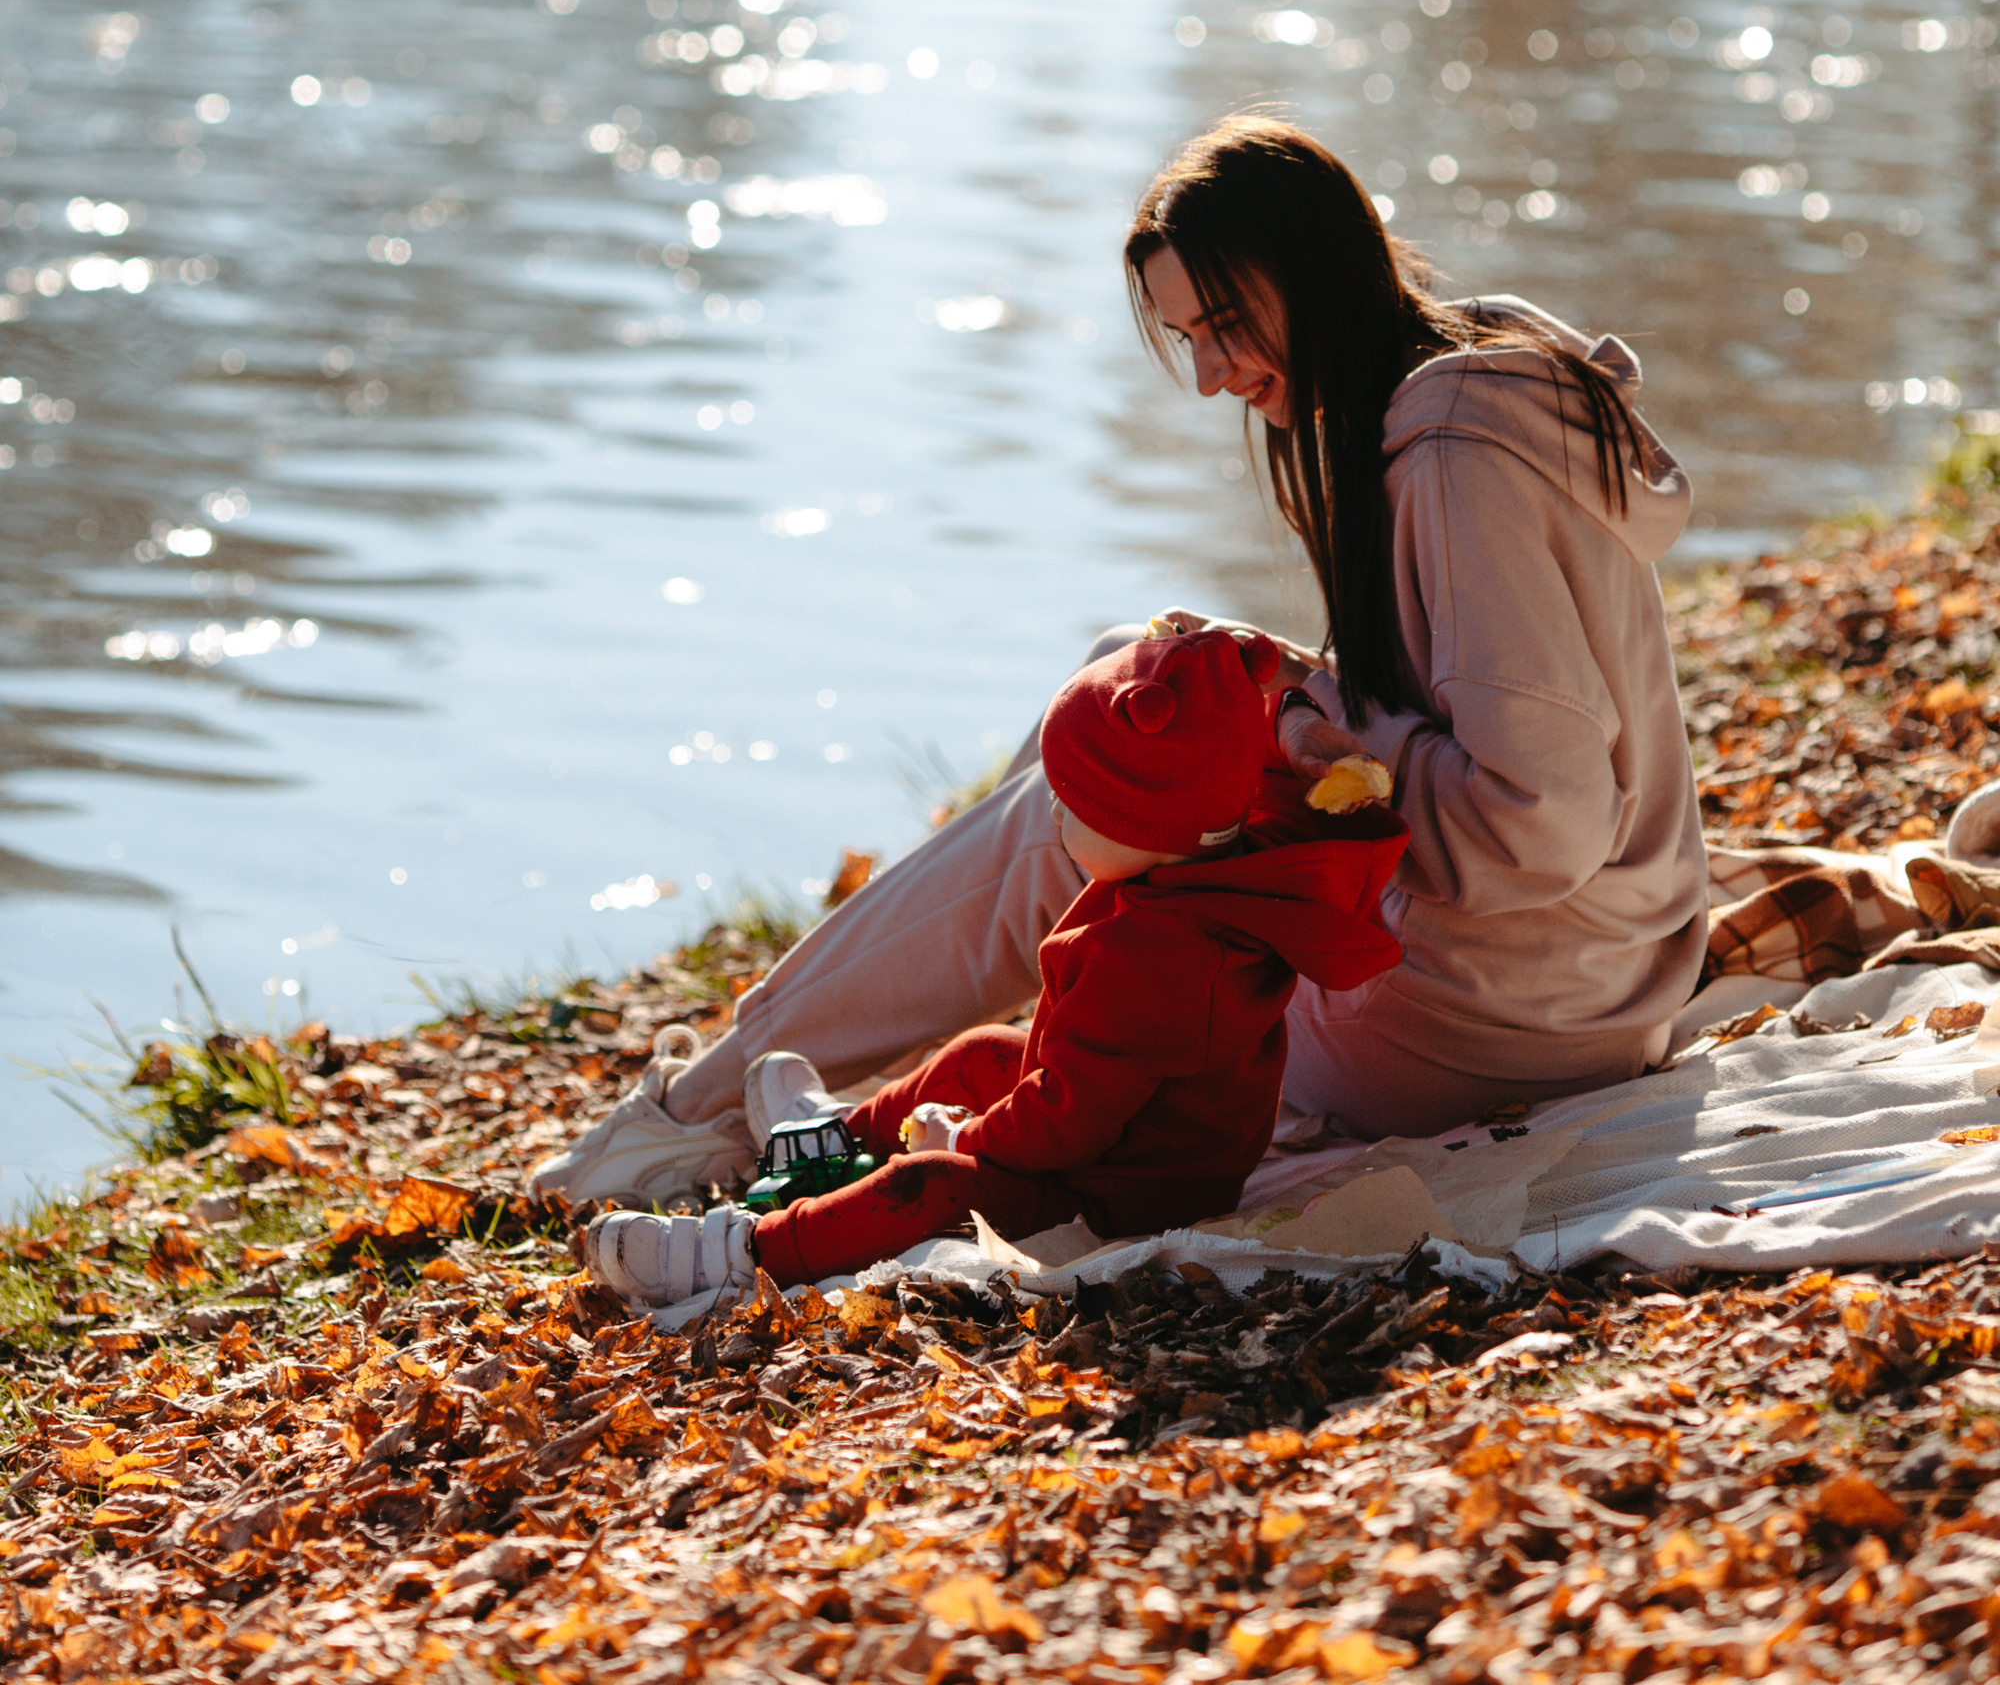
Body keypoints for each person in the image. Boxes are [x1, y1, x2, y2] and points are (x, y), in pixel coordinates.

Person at [531, 113, 1706, 1215]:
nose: (1210, 375)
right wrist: (1283, 697)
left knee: (1106, 783)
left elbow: (1536, 825)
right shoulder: (1461, 399)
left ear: (1317, 269)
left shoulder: (1453, 455)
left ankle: (705, 1108)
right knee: (1129, 682)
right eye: (1188, 338)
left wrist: (1299, 715)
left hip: (1494, 1023)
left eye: (1226, 324)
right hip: (1576, 984)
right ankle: (815, 1070)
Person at [580, 623, 1408, 1318]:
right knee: (981, 1052)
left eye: (1074, 803)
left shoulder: (1157, 960)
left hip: (1121, 1192)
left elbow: (1067, 1125)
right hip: (1128, 1129)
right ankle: (839, 1136)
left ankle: (743, 1254)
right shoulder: (1194, 874)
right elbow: (1076, 1083)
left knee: (934, 1184)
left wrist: (962, 1139)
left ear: (1144, 821)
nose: (1053, 810)